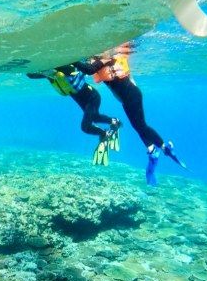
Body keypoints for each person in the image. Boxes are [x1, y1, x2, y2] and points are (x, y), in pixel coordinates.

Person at [76, 43, 187, 185]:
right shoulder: (100, 62)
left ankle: (164, 148)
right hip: (126, 99)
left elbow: (88, 69)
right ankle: (152, 149)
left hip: (132, 96)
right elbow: (90, 69)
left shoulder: (108, 59)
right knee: (137, 127)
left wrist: (72, 60)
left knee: (142, 126)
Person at [27, 64, 122, 165]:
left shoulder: (66, 68)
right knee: (95, 118)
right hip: (86, 101)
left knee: (85, 127)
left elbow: (70, 68)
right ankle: (115, 122)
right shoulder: (50, 74)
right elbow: (31, 75)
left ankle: (104, 134)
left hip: (93, 97)